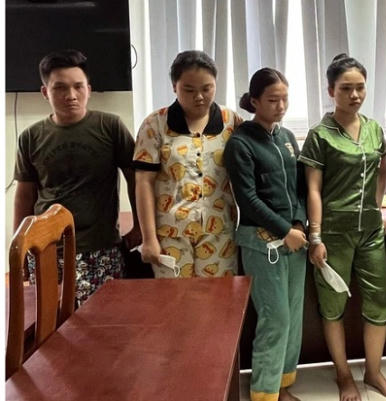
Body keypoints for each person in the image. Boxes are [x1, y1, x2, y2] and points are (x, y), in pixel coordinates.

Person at [300, 54, 386, 401]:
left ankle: (373, 372)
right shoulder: (320, 135)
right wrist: (315, 236)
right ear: (331, 90)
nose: (355, 95)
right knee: (332, 306)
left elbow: (381, 171)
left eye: (360, 87)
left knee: (378, 303)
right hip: (333, 233)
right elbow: (313, 189)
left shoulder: (374, 129)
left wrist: (377, 206)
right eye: (346, 88)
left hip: (371, 231)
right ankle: (343, 375)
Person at [13, 49, 140, 305]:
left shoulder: (110, 127)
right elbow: (24, 195)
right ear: (45, 92)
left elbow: (135, 179)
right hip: (47, 249)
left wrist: (140, 228)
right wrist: (20, 245)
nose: (71, 95)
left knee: (106, 318)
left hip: (101, 247)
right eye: (60, 88)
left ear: (89, 89)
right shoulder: (30, 137)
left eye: (78, 86)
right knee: (51, 321)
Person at [224, 68, 307, 401]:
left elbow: (298, 187)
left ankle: (283, 385)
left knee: (293, 318)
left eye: (285, 99)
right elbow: (247, 199)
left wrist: (298, 223)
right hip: (262, 244)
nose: (280, 106)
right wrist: (285, 230)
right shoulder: (240, 143)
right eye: (273, 100)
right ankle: (264, 392)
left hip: (295, 241)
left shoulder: (286, 137)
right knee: (275, 319)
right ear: (255, 101)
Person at [133, 50, 241, 277]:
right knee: (176, 298)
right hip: (170, 233)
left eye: (206, 88)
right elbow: (144, 183)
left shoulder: (231, 122)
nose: (199, 97)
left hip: (219, 232)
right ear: (175, 87)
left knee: (217, 296)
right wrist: (149, 238)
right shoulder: (155, 124)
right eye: (189, 90)